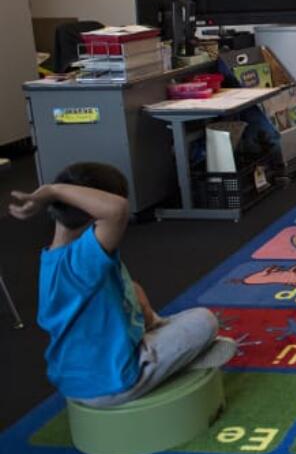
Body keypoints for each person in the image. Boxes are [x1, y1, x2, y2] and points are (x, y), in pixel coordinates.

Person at [10, 162, 234, 407]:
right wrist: (52, 191)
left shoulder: (56, 259)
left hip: (74, 382)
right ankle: (178, 361)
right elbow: (117, 209)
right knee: (204, 319)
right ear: (93, 214)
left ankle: (163, 341)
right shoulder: (82, 259)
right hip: (113, 384)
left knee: (136, 291)